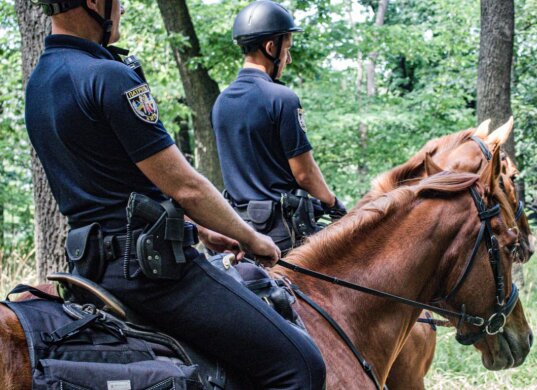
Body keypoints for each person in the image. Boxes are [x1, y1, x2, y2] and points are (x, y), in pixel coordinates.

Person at [25, 1, 326, 388]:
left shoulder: (39, 82)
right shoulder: (110, 76)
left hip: (90, 270)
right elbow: (186, 186)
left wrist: (200, 231)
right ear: (94, 3)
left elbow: (110, 183)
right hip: (154, 275)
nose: (123, 9)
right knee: (301, 363)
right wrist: (253, 239)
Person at [212, 0, 347, 254]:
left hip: (238, 231)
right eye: (287, 49)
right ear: (271, 47)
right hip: (282, 234)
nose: (289, 59)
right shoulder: (282, 99)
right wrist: (334, 205)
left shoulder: (221, 102)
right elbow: (304, 174)